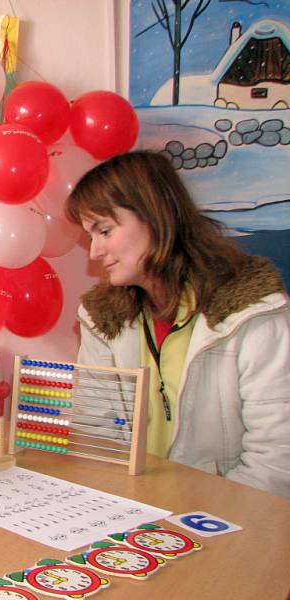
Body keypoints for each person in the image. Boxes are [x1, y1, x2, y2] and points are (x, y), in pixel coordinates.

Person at [66, 150, 290, 498]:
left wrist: (196, 525)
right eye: (90, 235)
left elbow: (276, 464)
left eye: (104, 231)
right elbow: (95, 436)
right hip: (139, 521)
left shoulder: (254, 313)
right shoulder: (101, 319)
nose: (94, 252)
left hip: (229, 524)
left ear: (155, 216)